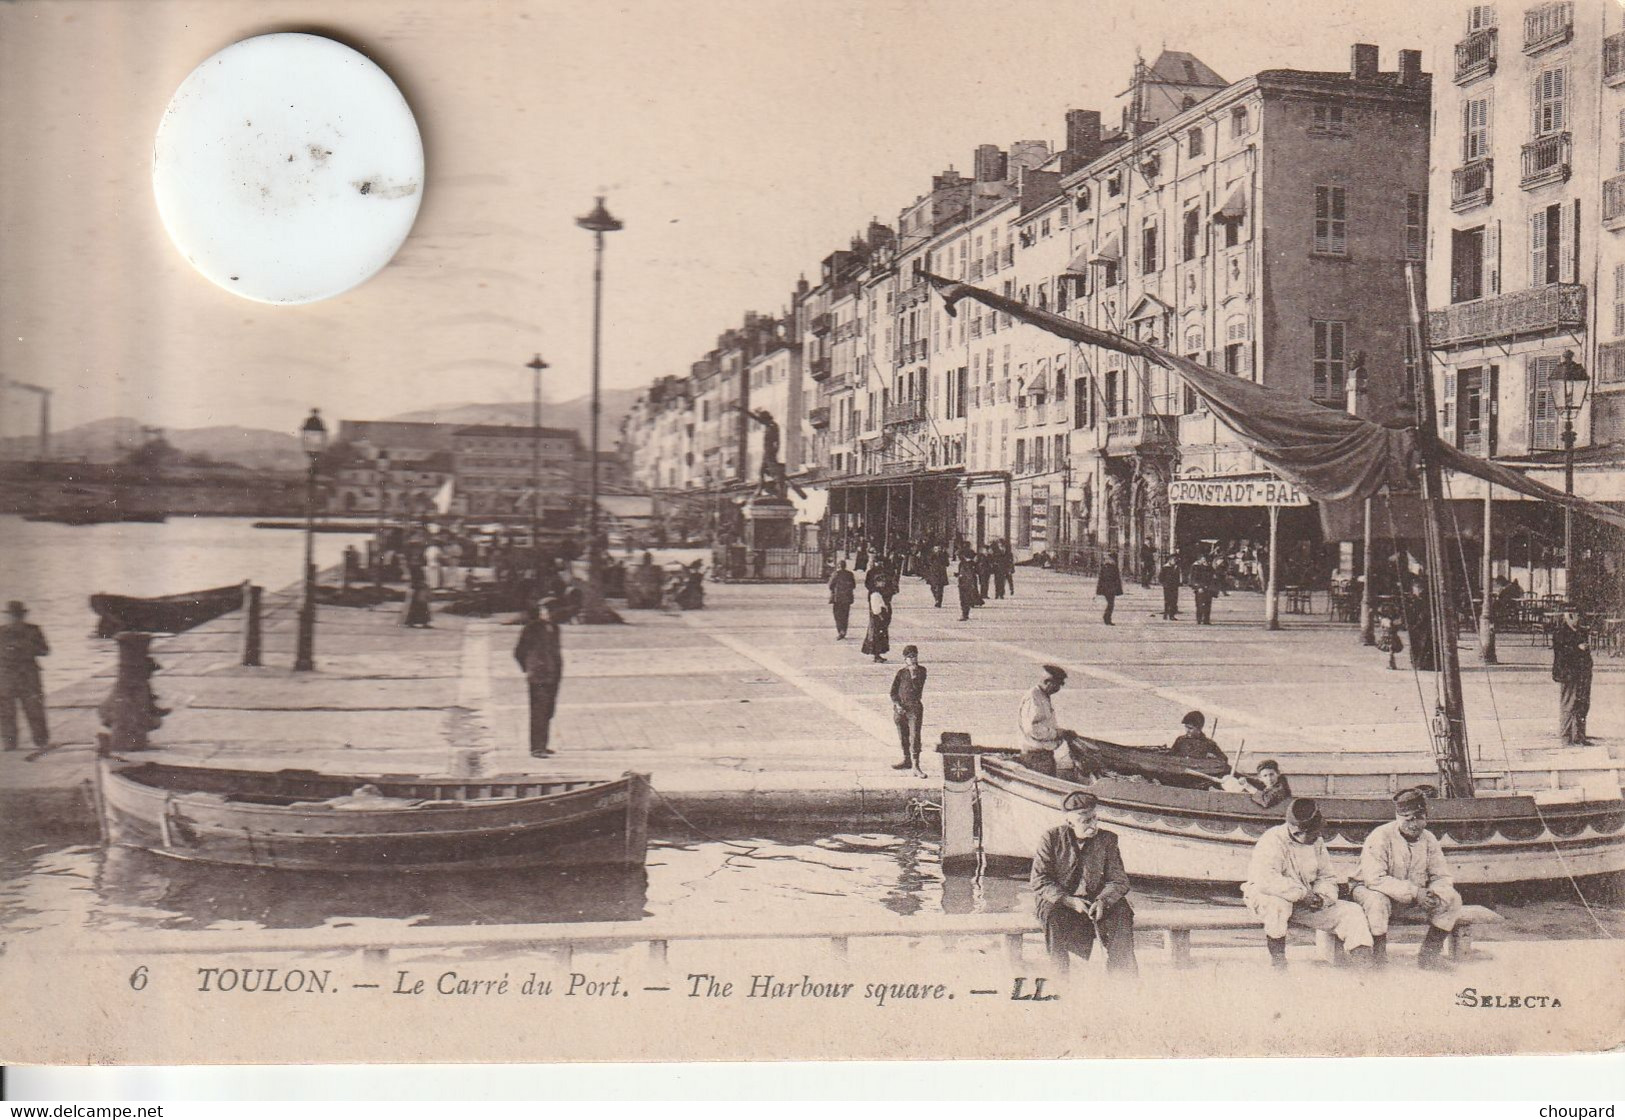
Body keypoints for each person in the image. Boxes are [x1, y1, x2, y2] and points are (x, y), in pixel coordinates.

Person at [1241, 797, 1375, 969]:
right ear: (1298, 831)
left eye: (1317, 832)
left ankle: (1363, 963)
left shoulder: (1316, 842)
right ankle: (1279, 962)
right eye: (1313, 833)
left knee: (1351, 911)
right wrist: (1303, 894)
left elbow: (1326, 876)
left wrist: (1321, 897)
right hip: (1266, 898)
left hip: (1305, 901)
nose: (1317, 836)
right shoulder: (1272, 839)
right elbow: (1266, 880)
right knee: (1278, 905)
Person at [1350, 788, 1463, 970]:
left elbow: (1441, 875)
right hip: (1369, 889)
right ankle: (1378, 957)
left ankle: (1429, 956)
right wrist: (1415, 892)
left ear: (1426, 817)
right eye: (1408, 819)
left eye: (1419, 818)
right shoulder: (1381, 836)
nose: (1414, 824)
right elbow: (1374, 879)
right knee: (1377, 902)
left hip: (1411, 895)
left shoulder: (1429, 839)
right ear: (1398, 817)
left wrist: (1433, 892)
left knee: (1451, 898)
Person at [1031, 791, 1138, 976]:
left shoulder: (1108, 840)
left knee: (1122, 912)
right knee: (1051, 914)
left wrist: (1103, 901)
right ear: (1070, 823)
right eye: (1086, 821)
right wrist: (1069, 901)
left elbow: (1118, 880)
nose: (1093, 825)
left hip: (1096, 902)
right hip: (1062, 902)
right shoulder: (1051, 838)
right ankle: (1060, 978)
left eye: (1094, 818)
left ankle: (1122, 977)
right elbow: (1039, 879)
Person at [514, 597, 564, 758]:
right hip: (538, 676)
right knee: (538, 711)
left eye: (548, 610)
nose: (545, 614)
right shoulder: (532, 628)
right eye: (543, 610)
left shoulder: (555, 628)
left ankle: (543, 744)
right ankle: (536, 747)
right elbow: (519, 651)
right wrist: (529, 668)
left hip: (553, 674)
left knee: (548, 710)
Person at [0, 601, 50, 753]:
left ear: (23, 615)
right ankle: (10, 744)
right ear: (7, 616)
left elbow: (45, 650)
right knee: (6, 713)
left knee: (35, 710)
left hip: (29, 676)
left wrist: (24, 647)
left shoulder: (33, 630)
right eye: (12, 616)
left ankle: (41, 741)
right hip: (6, 677)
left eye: (18, 616)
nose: (15, 619)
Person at [1018, 665, 1070, 776]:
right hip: (1036, 756)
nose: (1058, 689)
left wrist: (1061, 732)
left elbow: (1043, 722)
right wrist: (1056, 734)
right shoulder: (1033, 697)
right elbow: (1032, 729)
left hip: (1044, 755)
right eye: (1058, 685)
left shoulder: (1043, 696)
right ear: (1048, 682)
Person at [1552, 609, 1593, 745]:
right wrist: (1578, 648)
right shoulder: (1561, 633)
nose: (1580, 620)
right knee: (1569, 704)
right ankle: (1566, 737)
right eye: (1578, 616)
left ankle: (1579, 737)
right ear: (1570, 616)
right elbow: (1562, 653)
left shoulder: (1581, 632)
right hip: (1568, 673)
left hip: (1583, 673)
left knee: (1582, 704)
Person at [889, 645, 928, 775]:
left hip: (914, 708)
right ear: (904, 659)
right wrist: (897, 705)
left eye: (914, 656)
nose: (912, 659)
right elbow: (893, 692)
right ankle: (907, 760)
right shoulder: (901, 673)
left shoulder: (921, 671)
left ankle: (916, 765)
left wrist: (913, 673)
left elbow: (918, 686)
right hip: (900, 709)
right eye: (908, 657)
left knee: (915, 736)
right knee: (903, 736)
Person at [861, 580, 891, 663]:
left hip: (878, 617)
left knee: (879, 636)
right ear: (876, 583)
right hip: (877, 618)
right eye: (881, 582)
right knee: (877, 636)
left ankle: (878, 655)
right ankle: (876, 656)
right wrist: (881, 617)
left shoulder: (878, 592)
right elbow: (876, 609)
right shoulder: (875, 594)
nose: (883, 583)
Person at [827, 560, 856, 640]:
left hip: (837, 598)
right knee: (845, 615)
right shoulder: (850, 574)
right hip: (847, 598)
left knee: (837, 615)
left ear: (838, 566)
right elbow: (853, 585)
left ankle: (840, 631)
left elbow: (830, 585)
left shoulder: (835, 574)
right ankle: (843, 630)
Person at [1095, 553, 1124, 625]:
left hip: (1107, 588)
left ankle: (1107, 617)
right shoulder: (1110, 567)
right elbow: (1112, 578)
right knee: (1111, 604)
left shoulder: (1106, 566)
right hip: (1109, 588)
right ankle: (1107, 618)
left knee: (1110, 603)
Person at [1189, 553, 1216, 625]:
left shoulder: (1211, 569)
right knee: (1200, 604)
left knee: (1208, 604)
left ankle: (1206, 619)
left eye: (1206, 561)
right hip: (1200, 589)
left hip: (1208, 589)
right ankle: (1199, 619)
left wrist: (1212, 588)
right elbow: (1194, 579)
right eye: (1204, 561)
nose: (1206, 562)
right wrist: (1198, 587)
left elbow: (1213, 579)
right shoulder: (1197, 568)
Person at [956, 553, 980, 621]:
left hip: (966, 584)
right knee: (964, 599)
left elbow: (970, 575)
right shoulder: (963, 563)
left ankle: (965, 615)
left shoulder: (968, 564)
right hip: (964, 583)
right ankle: (965, 614)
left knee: (965, 599)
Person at [1158, 554, 1181, 620]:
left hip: (1174, 586)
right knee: (1167, 600)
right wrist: (1164, 584)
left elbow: (1177, 577)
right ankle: (1166, 613)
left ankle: (1172, 615)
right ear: (1170, 560)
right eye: (1173, 560)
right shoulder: (1165, 567)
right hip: (1167, 586)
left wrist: (1178, 583)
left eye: (1175, 560)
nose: (1175, 561)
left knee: (1174, 601)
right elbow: (1161, 577)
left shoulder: (1176, 568)